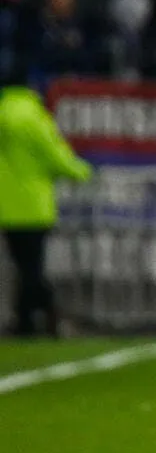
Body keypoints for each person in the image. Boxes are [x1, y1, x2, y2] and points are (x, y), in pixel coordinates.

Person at [0, 67, 93, 337]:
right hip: (32, 204)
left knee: (22, 265)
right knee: (32, 268)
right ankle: (50, 317)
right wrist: (82, 171)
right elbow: (53, 153)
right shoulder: (31, 116)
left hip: (5, 206)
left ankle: (26, 322)